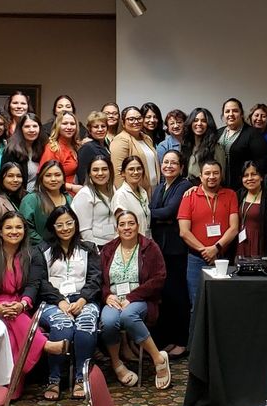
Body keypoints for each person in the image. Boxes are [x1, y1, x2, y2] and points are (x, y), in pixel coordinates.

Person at [0, 211, 69, 394]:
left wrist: (22, 304)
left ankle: (8, 389)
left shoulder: (32, 255)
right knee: (15, 321)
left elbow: (33, 285)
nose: (14, 231)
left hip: (19, 305)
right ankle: (44, 345)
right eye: (9, 227)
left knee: (13, 334)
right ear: (0, 232)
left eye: (19, 227)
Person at [99, 210, 171, 389]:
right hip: (114, 299)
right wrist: (107, 295)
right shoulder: (108, 249)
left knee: (128, 316)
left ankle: (159, 359)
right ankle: (117, 364)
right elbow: (98, 279)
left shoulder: (149, 247)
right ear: (117, 228)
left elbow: (159, 278)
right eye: (122, 224)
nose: (127, 228)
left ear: (138, 225)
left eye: (131, 223)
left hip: (141, 298)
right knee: (107, 321)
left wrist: (132, 297)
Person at [36, 206, 102, 400]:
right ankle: (54, 379)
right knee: (63, 325)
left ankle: (81, 378)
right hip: (53, 301)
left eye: (69, 223)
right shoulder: (42, 249)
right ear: (53, 226)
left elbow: (95, 278)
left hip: (83, 298)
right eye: (60, 224)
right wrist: (59, 302)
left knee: (86, 324)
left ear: (75, 223)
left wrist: (82, 300)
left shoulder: (88, 248)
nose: (65, 228)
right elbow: (41, 282)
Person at [178, 160, 239, 336]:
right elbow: (184, 232)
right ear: (200, 176)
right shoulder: (189, 196)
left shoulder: (230, 194)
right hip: (196, 259)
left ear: (221, 175)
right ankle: (196, 351)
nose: (211, 177)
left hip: (223, 258)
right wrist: (205, 250)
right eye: (207, 173)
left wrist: (216, 247)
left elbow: (234, 228)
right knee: (196, 304)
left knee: (223, 303)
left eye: (215, 173)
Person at [150, 150, 192, 358]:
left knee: (178, 296)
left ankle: (182, 341)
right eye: (165, 162)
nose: (168, 166)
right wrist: (158, 216)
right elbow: (157, 212)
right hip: (160, 248)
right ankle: (167, 339)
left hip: (176, 250)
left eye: (173, 163)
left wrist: (152, 215)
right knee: (164, 296)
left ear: (181, 167)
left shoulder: (184, 186)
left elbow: (168, 212)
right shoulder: (158, 188)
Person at [218, 98, 267, 188]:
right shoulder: (217, 133)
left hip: (243, 187)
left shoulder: (253, 134)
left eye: (235, 111)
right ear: (223, 115)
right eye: (227, 111)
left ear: (242, 114)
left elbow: (262, 162)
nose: (231, 114)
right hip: (219, 186)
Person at [20, 160, 73, 245]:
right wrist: (46, 246)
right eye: (48, 175)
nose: (53, 179)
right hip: (39, 251)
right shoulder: (31, 200)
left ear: (63, 179)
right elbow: (26, 228)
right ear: (41, 179)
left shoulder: (69, 198)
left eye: (57, 175)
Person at [109, 106, 158, 191]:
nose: (136, 121)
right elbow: (117, 173)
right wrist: (128, 195)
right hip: (134, 191)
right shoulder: (120, 140)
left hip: (153, 190)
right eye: (131, 119)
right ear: (123, 123)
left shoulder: (146, 138)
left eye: (139, 118)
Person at [72, 156, 116, 246]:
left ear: (110, 171)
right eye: (95, 170)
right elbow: (85, 233)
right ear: (89, 174)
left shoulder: (113, 189)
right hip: (98, 247)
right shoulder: (85, 195)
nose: (100, 173)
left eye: (104, 169)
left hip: (115, 243)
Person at [40, 111, 82, 193]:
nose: (69, 127)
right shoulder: (52, 148)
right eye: (65, 123)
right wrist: (72, 187)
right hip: (58, 194)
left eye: (72, 124)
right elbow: (44, 178)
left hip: (74, 195)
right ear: (58, 126)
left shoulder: (76, 146)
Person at [111, 156, 152, 237]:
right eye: (131, 169)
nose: (136, 172)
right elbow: (123, 228)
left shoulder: (143, 192)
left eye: (139, 169)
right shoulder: (121, 196)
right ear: (123, 173)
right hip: (129, 244)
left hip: (145, 240)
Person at [4, 112, 44, 192]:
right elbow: (7, 180)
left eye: (35, 126)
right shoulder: (11, 150)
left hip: (39, 197)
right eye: (27, 126)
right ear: (20, 129)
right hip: (20, 198)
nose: (31, 130)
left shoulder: (42, 147)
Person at [183, 108, 223, 184]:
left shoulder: (216, 148)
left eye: (204, 121)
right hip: (188, 190)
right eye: (195, 120)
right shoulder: (187, 146)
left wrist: (199, 189)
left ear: (208, 125)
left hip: (205, 192)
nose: (199, 123)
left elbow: (220, 178)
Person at [235, 161, 267, 258]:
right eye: (246, 175)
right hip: (241, 241)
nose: (249, 178)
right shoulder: (238, 195)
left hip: (260, 243)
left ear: (261, 177)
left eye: (254, 174)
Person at [76, 111, 112, 184]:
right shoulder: (87, 147)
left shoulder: (107, 144)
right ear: (90, 130)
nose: (100, 129)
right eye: (96, 127)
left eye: (103, 126)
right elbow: (82, 175)